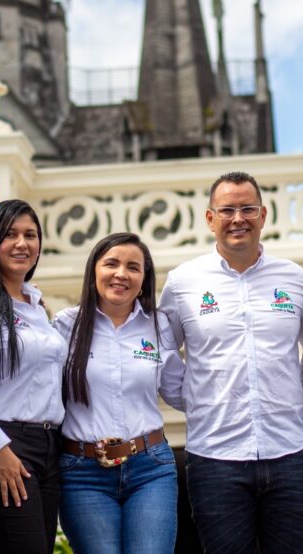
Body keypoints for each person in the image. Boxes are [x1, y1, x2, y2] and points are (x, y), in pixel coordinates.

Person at [158, 171, 303, 554]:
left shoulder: (295, 278)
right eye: (227, 209)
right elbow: (165, 352)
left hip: (290, 454)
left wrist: (289, 393)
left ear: (263, 216)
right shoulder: (183, 282)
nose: (238, 218)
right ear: (210, 218)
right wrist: (194, 398)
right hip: (215, 457)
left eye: (248, 209)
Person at [54, 233, 185, 554]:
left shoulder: (159, 326)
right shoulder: (64, 325)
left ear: (144, 278)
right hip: (82, 473)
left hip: (150, 468)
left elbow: (180, 392)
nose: (121, 274)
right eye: (111, 263)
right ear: (94, 270)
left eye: (133, 267)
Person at [0, 199, 67, 553]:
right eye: (10, 235)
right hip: (1, 444)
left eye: (31, 235)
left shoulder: (37, 304)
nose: (22, 244)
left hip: (48, 447)